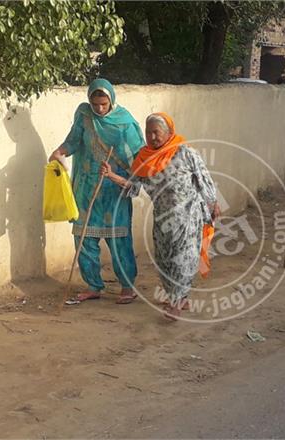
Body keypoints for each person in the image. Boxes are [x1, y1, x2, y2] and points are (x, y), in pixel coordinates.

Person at [101, 112, 219, 320]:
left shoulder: (185, 153)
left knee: (183, 258)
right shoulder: (144, 158)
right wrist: (112, 176)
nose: (152, 137)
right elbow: (135, 187)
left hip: (188, 214)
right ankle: (180, 298)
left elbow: (204, 179)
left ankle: (175, 303)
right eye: (149, 133)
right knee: (164, 259)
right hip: (162, 218)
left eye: (157, 132)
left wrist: (212, 203)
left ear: (169, 132)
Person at [48, 79, 144, 303]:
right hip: (86, 186)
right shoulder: (84, 115)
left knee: (118, 240)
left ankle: (127, 287)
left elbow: (136, 159)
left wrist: (120, 177)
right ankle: (93, 285)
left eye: (104, 104)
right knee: (84, 238)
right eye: (95, 104)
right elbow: (73, 141)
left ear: (111, 100)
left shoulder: (125, 123)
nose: (100, 109)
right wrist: (59, 152)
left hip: (113, 189)